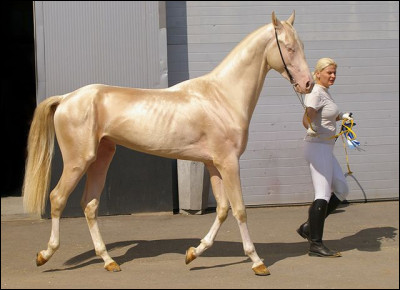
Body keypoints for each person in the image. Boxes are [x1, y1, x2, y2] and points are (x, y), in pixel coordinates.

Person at [297, 58, 351, 257]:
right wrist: (310, 127)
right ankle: (315, 245)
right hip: (317, 147)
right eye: (329, 72)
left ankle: (308, 228)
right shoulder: (315, 93)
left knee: (343, 189)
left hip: (326, 148)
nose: (333, 76)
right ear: (317, 73)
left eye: (335, 72)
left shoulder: (325, 92)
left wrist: (342, 118)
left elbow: (327, 115)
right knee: (323, 194)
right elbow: (307, 117)